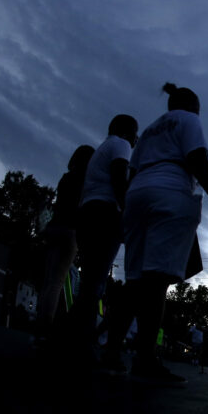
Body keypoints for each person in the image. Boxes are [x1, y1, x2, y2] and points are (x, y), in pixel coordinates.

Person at [113, 83, 208, 385]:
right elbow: (197, 159)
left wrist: (126, 209)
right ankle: (145, 359)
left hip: (137, 195)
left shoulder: (150, 130)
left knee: (134, 279)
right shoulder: (189, 120)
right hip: (169, 193)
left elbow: (131, 172)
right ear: (194, 105)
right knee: (157, 281)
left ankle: (111, 350)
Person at [71, 115, 137, 367]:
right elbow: (119, 178)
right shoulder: (121, 145)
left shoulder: (102, 149)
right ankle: (83, 345)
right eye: (135, 133)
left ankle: (70, 339)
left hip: (88, 212)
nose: (135, 139)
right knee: (94, 285)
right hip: (104, 214)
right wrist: (128, 212)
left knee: (89, 283)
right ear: (127, 131)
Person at [36, 145, 95, 339]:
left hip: (54, 228)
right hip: (70, 232)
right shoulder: (86, 183)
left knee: (48, 279)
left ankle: (39, 323)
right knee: (57, 281)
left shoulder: (65, 178)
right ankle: (46, 326)